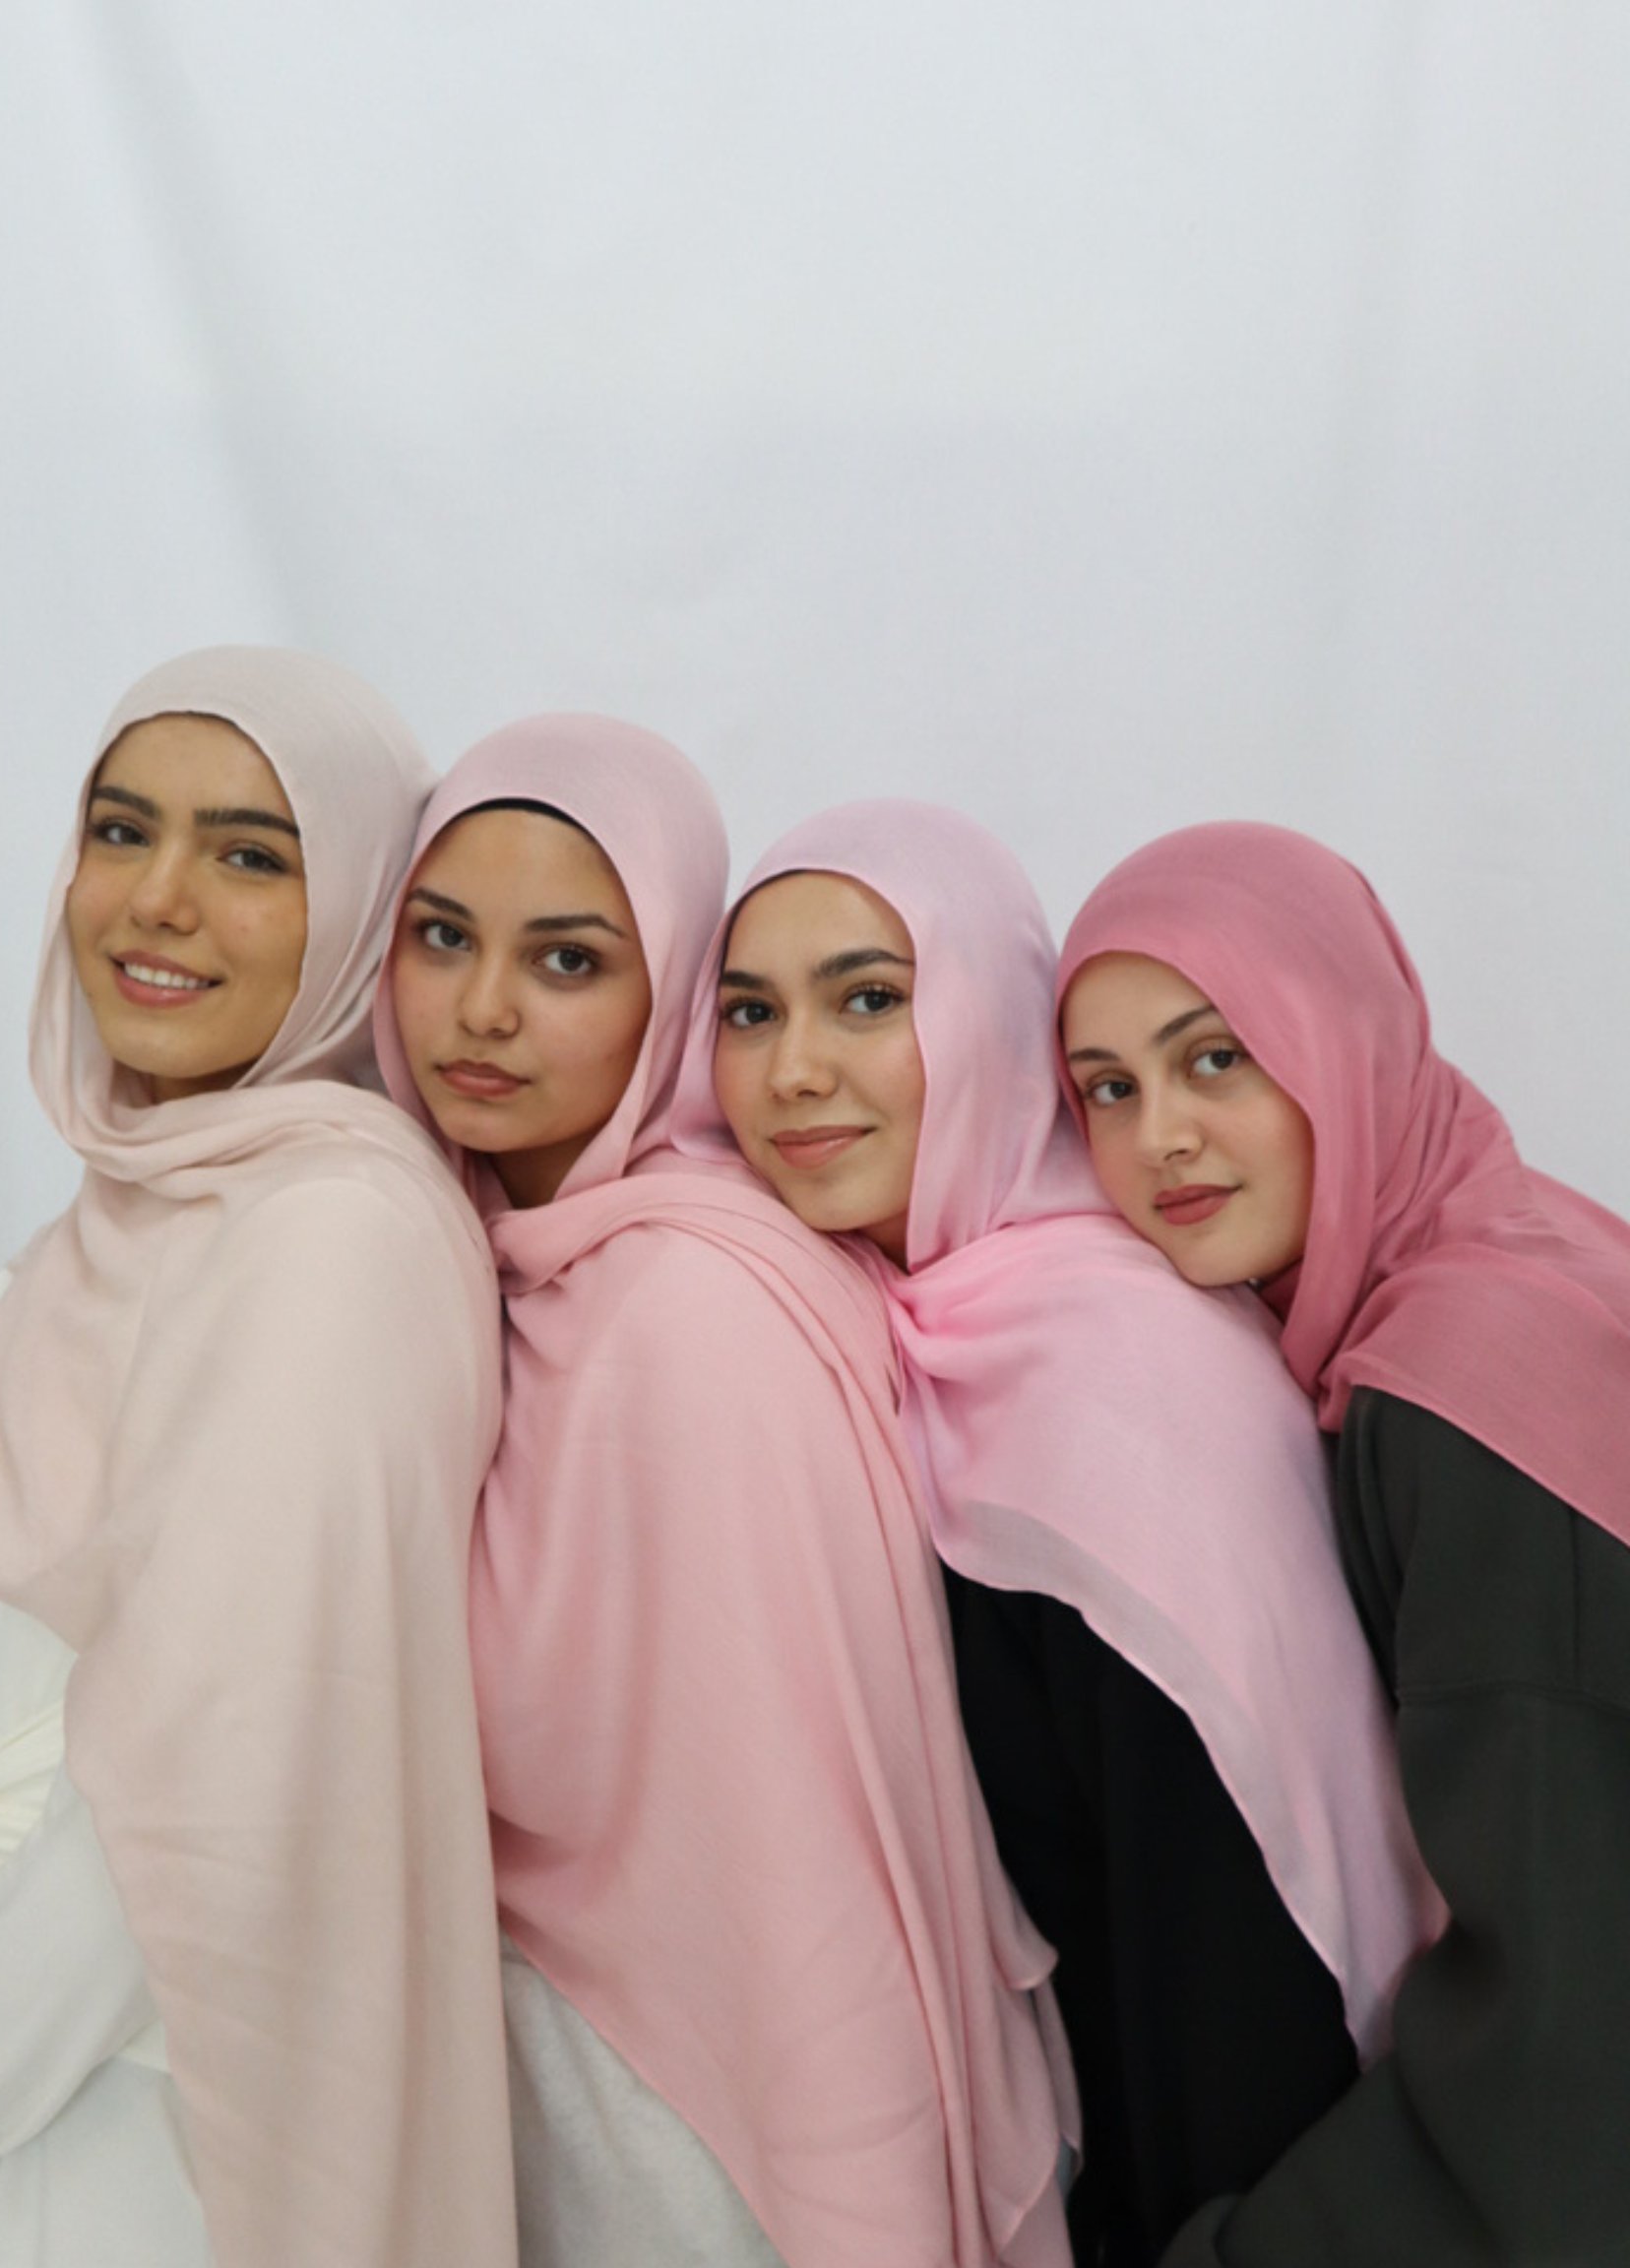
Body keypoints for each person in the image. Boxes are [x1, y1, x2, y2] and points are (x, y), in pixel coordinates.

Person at [673, 801, 1439, 2268]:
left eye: (870, 1000)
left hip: (1253, 2179)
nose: (794, 1071)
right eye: (749, 1013)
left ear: (989, 1026)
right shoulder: (915, 1326)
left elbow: (1225, 1918)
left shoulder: (1107, 1363)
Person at [376, 718, 1072, 2268]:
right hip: (563, 2074)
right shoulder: (513, 1266)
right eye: (439, 937)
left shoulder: (689, 1308)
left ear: (668, 996)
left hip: (699, 2124)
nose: (481, 1012)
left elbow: (794, 1845)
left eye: (566, 962)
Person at [0, 649, 516, 2268]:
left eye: (253, 856)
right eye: (122, 833)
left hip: (142, 2135)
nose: (156, 902)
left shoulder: (335, 1240)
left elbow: (189, 1807)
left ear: (362, 921)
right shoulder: (115, 1219)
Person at [1056, 817, 1630, 2267]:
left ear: (1345, 1040)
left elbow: (1569, 2029)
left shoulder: (1458, 1383)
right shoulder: (1522, 1241)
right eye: (1106, 1091)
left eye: (1215, 1057)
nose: (1158, 1138)